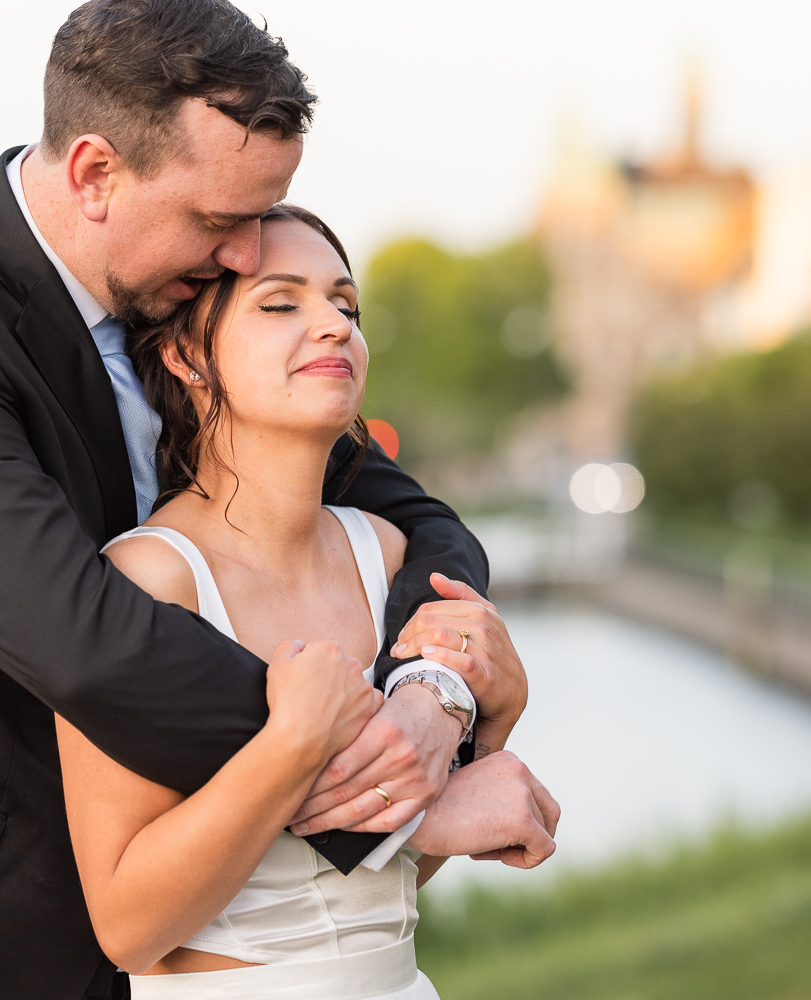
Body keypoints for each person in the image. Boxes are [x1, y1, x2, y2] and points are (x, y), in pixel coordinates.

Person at [0, 3, 537, 999]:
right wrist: (393, 795)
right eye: (219, 221)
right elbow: (94, 647)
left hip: (144, 939)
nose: (241, 256)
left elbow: (424, 526)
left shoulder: (182, 313)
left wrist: (433, 693)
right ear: (96, 173)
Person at [58, 204, 558, 999]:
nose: (331, 324)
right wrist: (293, 744)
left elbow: (380, 890)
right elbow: (128, 929)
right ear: (189, 355)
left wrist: (487, 724)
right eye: (281, 302)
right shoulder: (150, 581)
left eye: (346, 305)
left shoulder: (385, 555)